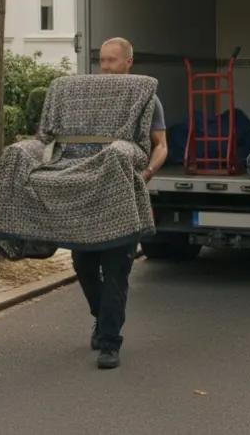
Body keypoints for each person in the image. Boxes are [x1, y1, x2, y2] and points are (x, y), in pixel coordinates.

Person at [75, 37, 168, 370]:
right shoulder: (88, 98)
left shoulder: (148, 100)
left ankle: (110, 343)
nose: (105, 67)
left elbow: (161, 146)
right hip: (89, 199)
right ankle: (102, 317)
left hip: (124, 201)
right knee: (83, 266)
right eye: (102, 60)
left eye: (112, 60)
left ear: (129, 62)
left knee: (115, 273)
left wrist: (146, 173)